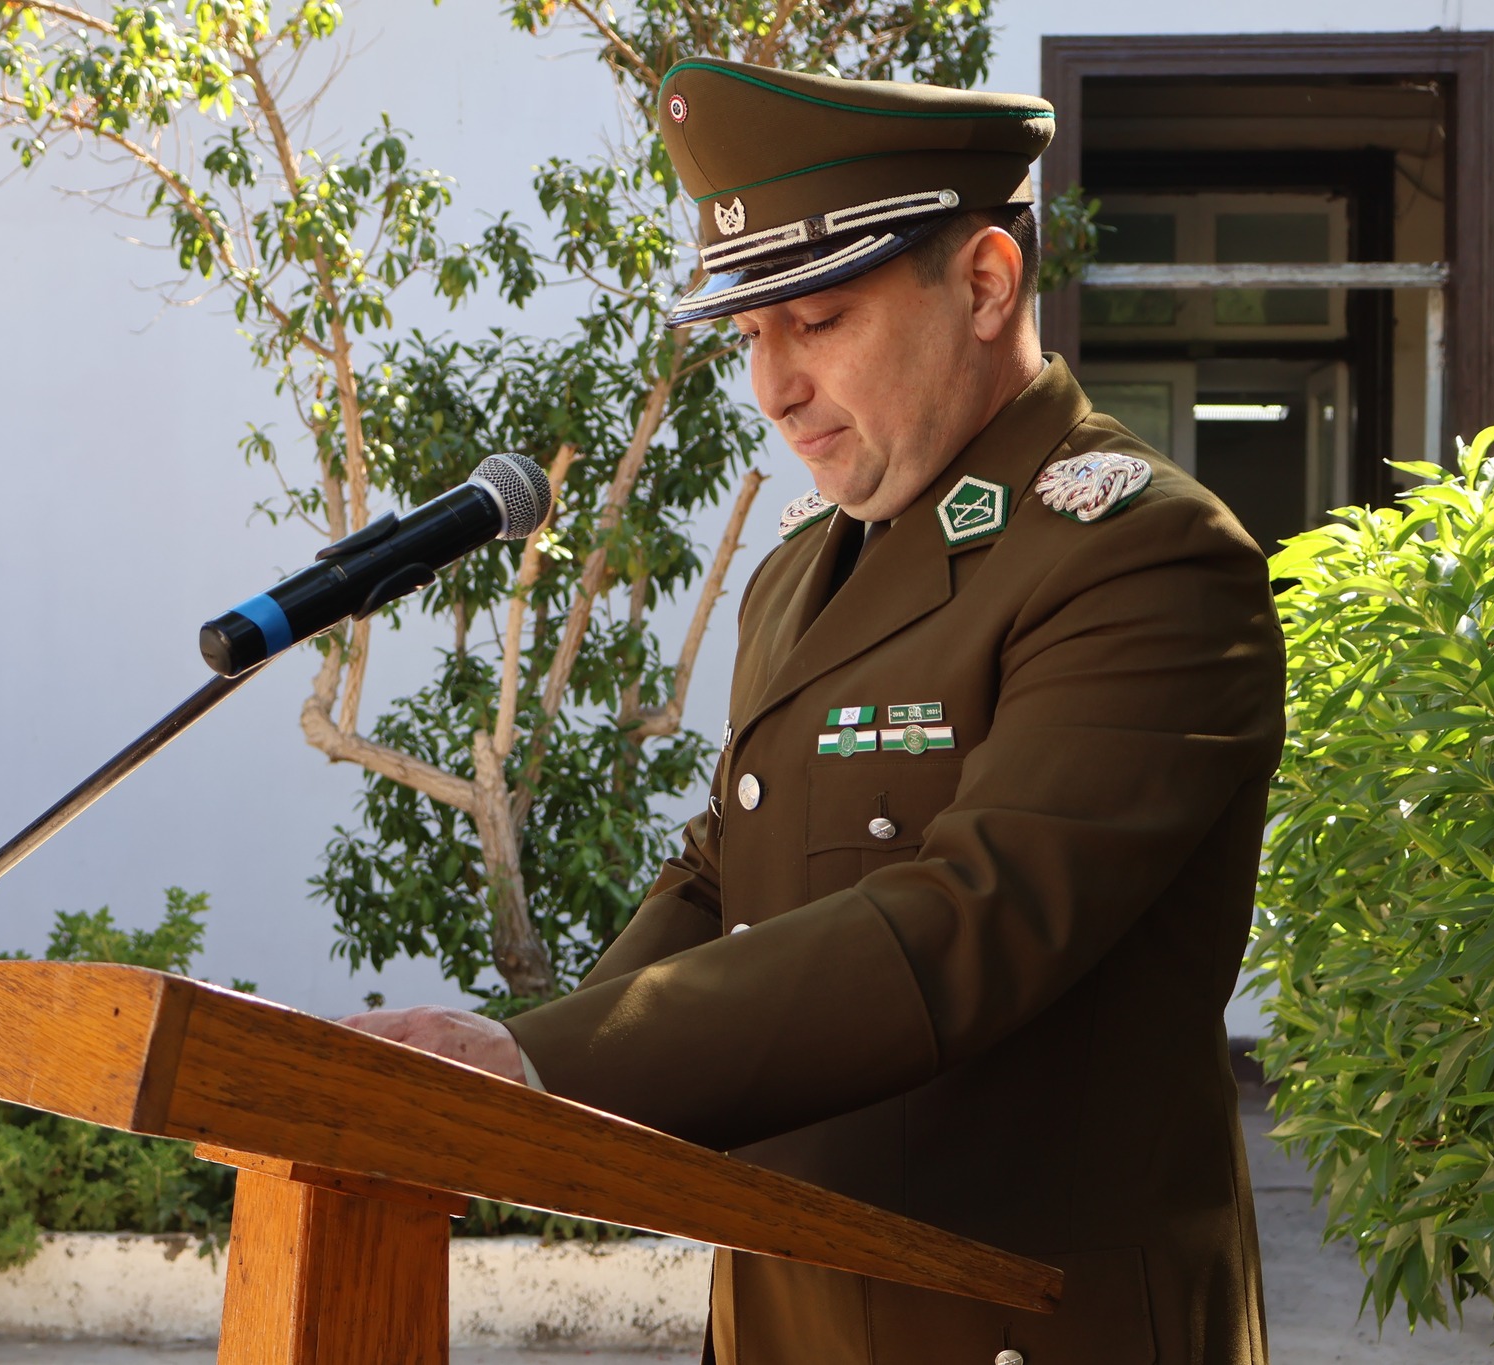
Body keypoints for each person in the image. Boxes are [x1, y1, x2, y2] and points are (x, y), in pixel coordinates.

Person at [346, 57, 1285, 1365]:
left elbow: (973, 920)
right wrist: (527, 1082)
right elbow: (730, 861)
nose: (773, 386)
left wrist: (550, 1063)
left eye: (820, 319)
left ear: (986, 283)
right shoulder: (803, 567)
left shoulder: (1141, 558)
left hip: (1016, 1323)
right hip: (794, 1306)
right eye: (750, 334)